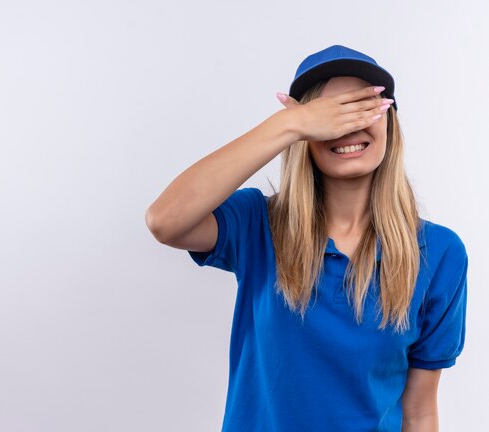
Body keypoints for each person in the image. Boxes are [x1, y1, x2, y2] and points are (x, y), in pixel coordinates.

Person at [145, 45, 468, 431]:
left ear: (389, 122)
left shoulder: (440, 253)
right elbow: (165, 221)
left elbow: (419, 412)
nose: (348, 125)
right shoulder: (257, 225)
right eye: (329, 114)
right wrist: (287, 126)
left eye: (363, 107)